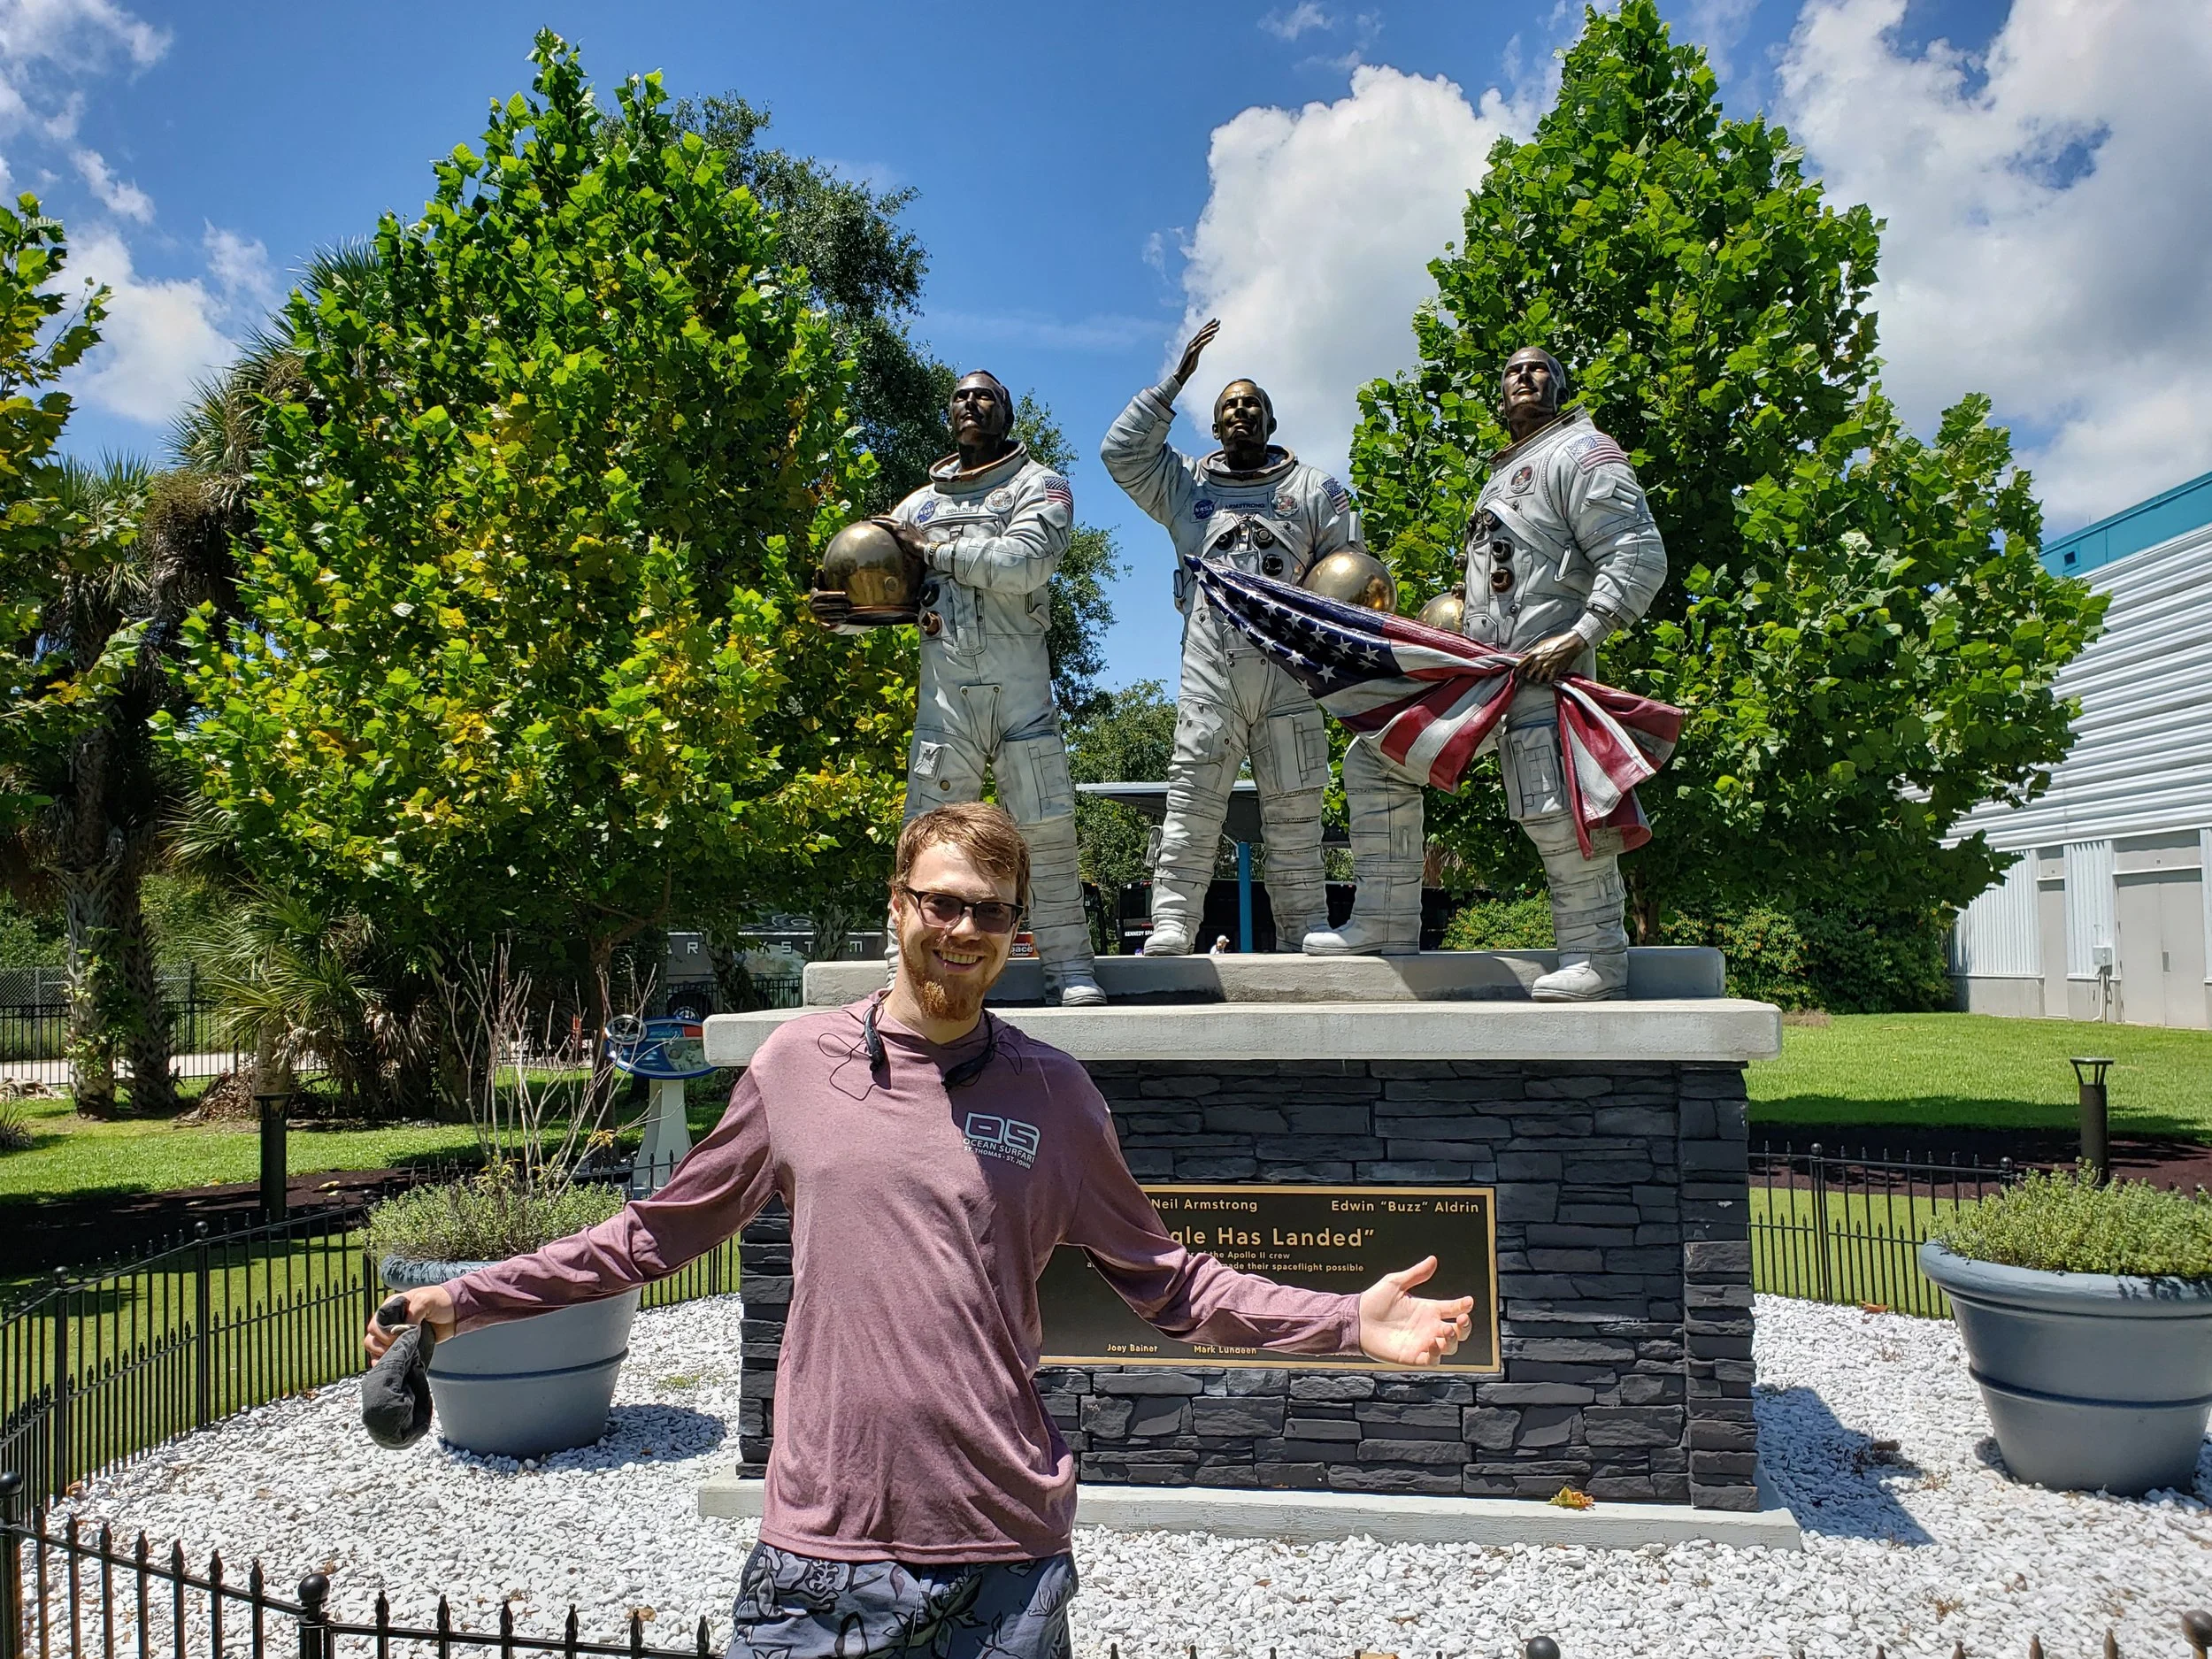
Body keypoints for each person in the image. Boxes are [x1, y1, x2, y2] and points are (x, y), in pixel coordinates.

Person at [366, 802, 1474, 1659]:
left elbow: (1170, 1284)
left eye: (988, 912)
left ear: (1015, 935)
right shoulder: (797, 1066)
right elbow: (651, 1237)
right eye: (941, 902)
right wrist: (467, 1299)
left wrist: (1345, 1320)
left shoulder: (1056, 1096)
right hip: (823, 1545)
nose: (962, 930)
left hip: (1003, 1550)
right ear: (896, 907)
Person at [1312, 347, 1667, 995]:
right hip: (1482, 672)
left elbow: (1638, 550)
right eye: (1513, 371)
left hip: (1543, 672)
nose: (1525, 376)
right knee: (1376, 761)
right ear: (1499, 396)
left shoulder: (1582, 450)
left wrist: (1582, 633)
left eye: (1540, 369)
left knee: (1556, 808)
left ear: (1559, 388)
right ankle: (1386, 919)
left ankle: (1598, 956)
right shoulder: (1498, 478)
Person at [812, 370, 1104, 1008]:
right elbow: (887, 590)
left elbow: (1026, 563)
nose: (971, 404)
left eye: (986, 396)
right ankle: (904, 974)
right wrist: (844, 615)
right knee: (925, 842)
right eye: (961, 397)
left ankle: (1071, 968)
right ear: (948, 416)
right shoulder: (916, 507)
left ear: (1007, 414)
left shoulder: (1039, 486)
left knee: (1048, 832)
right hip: (945, 704)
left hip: (1021, 698)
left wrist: (933, 549)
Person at [1099, 319, 1356, 957]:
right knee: (1190, 805)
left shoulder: (1312, 490)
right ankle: (1171, 925)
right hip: (1210, 667)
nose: (1241, 413)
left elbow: (1351, 575)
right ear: (1214, 428)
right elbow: (1120, 453)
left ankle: (1307, 927)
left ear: (1270, 422)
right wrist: (1173, 383)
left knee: (1295, 809)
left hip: (1289, 670)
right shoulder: (1186, 484)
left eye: (1252, 405)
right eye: (1228, 407)